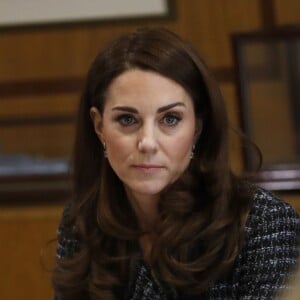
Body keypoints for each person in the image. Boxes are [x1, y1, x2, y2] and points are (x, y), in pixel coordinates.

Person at [52, 27, 299, 300]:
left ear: (197, 127)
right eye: (127, 120)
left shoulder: (263, 222)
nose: (147, 142)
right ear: (99, 127)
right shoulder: (81, 221)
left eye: (170, 119)